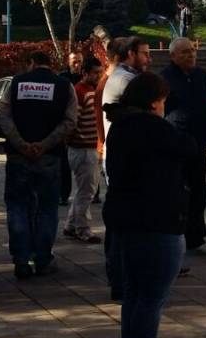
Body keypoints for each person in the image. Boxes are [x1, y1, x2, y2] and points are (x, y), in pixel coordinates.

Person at [104, 72, 197, 338]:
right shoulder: (152, 127)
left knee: (134, 294)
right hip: (157, 219)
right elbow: (188, 147)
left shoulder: (121, 125)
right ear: (155, 101)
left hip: (127, 218)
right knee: (151, 297)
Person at [0, 51, 77, 279]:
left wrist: (21, 144)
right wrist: (45, 144)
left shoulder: (16, 83)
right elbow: (70, 121)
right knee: (47, 209)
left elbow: (3, 115)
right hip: (49, 157)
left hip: (18, 156)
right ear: (51, 64)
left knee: (17, 206)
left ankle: (21, 260)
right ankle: (43, 259)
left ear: (31, 63)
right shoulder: (64, 86)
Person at [101, 36, 152, 298]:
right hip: (125, 160)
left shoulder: (123, 77)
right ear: (130, 54)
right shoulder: (127, 81)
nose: (149, 58)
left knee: (123, 222)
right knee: (124, 224)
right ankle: (121, 279)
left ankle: (123, 277)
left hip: (123, 157)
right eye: (144, 53)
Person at [162, 38, 206, 256]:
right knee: (176, 191)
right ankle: (174, 237)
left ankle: (196, 237)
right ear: (173, 56)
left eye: (193, 50)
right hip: (176, 142)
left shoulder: (201, 76)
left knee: (198, 190)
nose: (191, 55)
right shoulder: (165, 78)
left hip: (199, 142)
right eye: (185, 52)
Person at [63, 54, 103, 244]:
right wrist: (73, 140)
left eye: (100, 72)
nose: (98, 76)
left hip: (87, 147)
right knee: (86, 191)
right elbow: (73, 121)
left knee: (83, 190)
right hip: (83, 148)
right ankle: (83, 229)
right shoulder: (80, 91)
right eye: (95, 73)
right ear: (85, 73)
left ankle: (71, 225)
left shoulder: (90, 91)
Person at [58, 50, 84, 204]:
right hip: (66, 123)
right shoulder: (62, 78)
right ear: (68, 62)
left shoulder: (86, 77)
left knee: (87, 162)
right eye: (74, 61)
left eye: (79, 61)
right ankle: (63, 194)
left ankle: (94, 193)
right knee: (64, 163)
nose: (77, 64)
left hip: (83, 123)